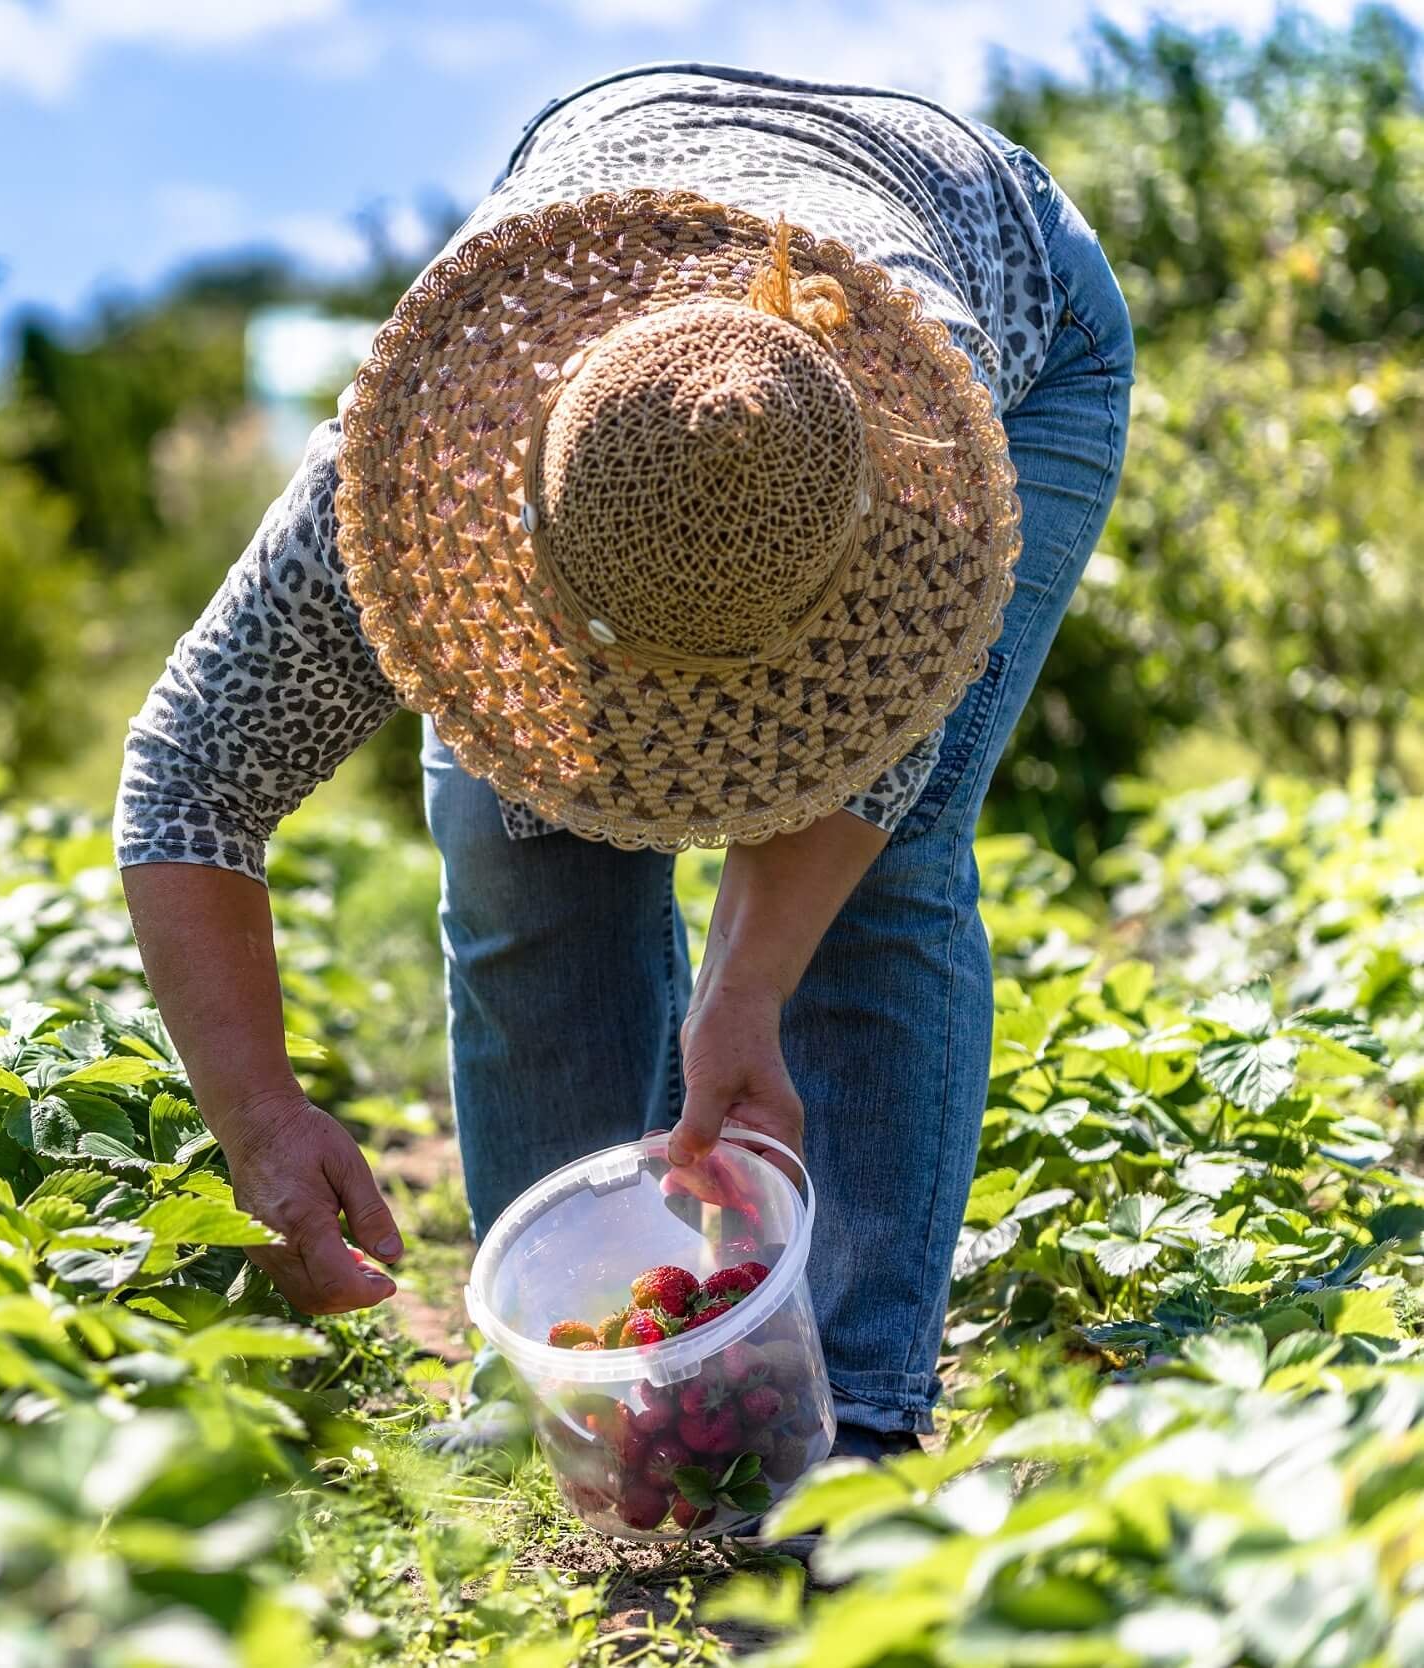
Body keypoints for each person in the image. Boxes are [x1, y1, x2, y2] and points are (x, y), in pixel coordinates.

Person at [114, 63, 1132, 1456]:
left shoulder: (921, 484)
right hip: (616, 200)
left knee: (880, 888)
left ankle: (852, 1415)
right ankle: (579, 1393)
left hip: (1010, 296)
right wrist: (261, 1119)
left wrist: (743, 998)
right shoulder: (435, 433)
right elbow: (190, 776)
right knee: (514, 830)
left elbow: (872, 776)